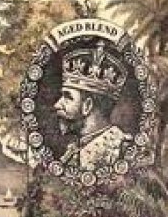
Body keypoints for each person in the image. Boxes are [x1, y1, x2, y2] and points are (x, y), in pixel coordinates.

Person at [53, 40, 132, 170]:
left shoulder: (124, 151)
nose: (57, 105)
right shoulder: (72, 152)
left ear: (87, 105)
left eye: (67, 97)